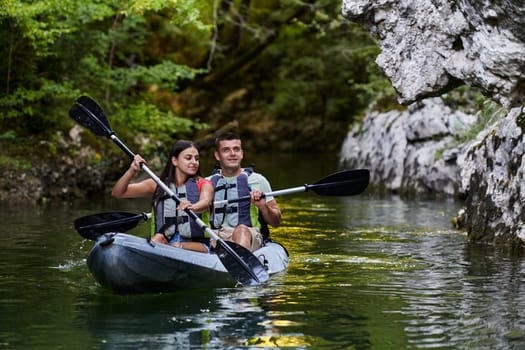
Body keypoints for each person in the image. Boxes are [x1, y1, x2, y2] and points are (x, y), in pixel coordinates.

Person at [111, 140, 213, 253]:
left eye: (197, 158)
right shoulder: (157, 184)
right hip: (164, 241)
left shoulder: (203, 184)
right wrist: (132, 170)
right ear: (175, 161)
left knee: (175, 246)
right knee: (158, 239)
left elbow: (205, 201)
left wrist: (193, 207)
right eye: (188, 158)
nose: (194, 162)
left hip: (197, 245)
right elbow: (118, 193)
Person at [208, 132, 281, 251]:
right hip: (216, 235)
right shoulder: (207, 184)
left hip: (249, 234)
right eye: (226, 150)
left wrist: (263, 207)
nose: (232, 154)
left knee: (241, 229)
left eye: (236, 149)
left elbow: (276, 223)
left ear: (241, 154)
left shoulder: (258, 180)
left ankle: (239, 258)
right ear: (217, 155)